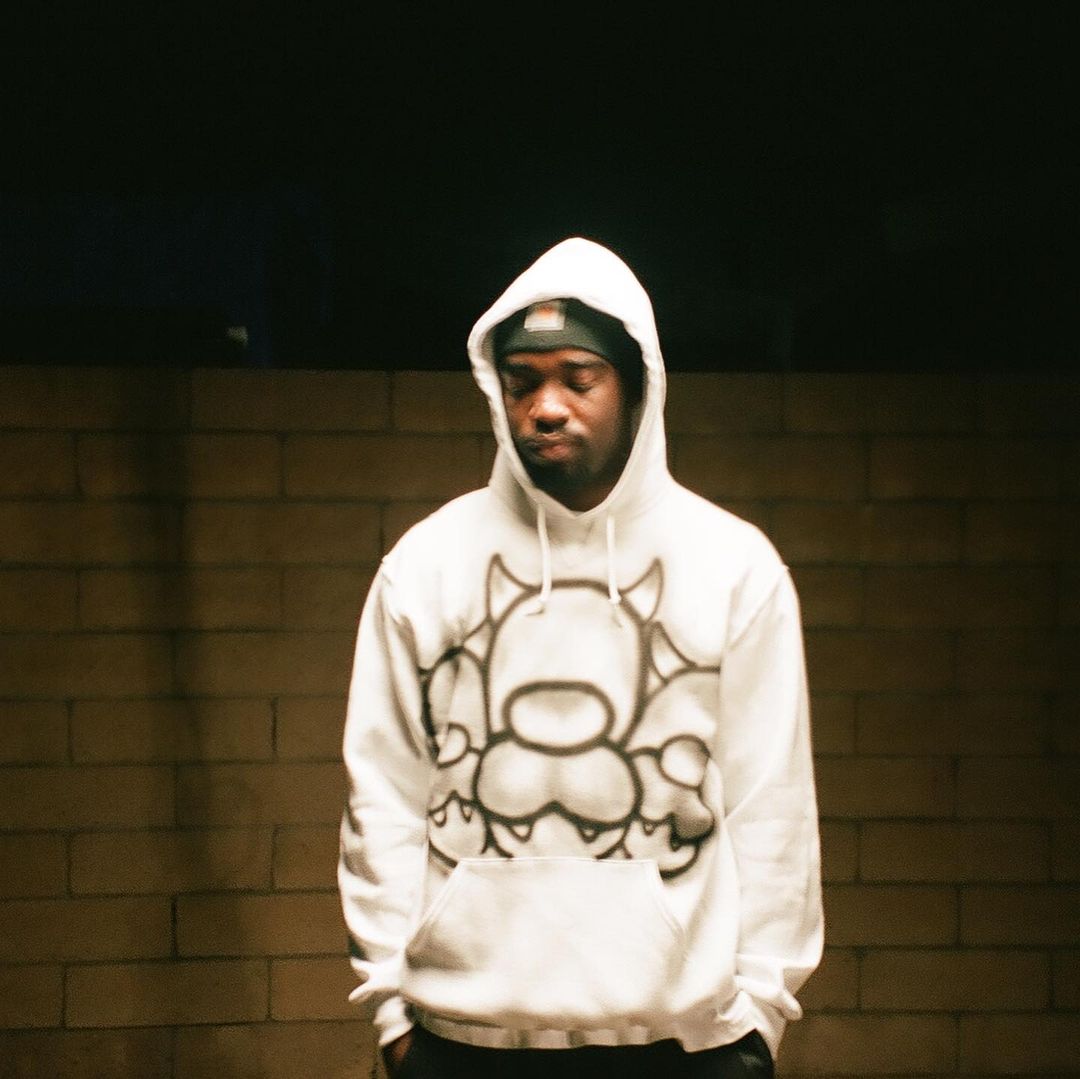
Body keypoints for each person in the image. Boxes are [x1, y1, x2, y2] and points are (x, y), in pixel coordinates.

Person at [339, 237, 823, 1078]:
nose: (547, 406)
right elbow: (382, 794)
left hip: (683, 1046)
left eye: (578, 377)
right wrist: (391, 1009)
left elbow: (770, 805)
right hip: (462, 1043)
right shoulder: (426, 564)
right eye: (522, 381)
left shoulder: (733, 567)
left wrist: (759, 1016)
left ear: (636, 387)